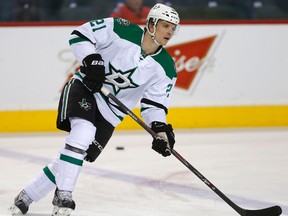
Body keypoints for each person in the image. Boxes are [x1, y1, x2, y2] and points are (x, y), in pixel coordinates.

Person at [9, 3, 180, 216]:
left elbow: (154, 104)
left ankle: (27, 195)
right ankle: (64, 195)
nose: (170, 32)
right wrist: (91, 59)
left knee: (75, 154)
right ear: (151, 24)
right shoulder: (121, 28)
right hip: (86, 88)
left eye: (173, 28)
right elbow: (80, 35)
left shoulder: (166, 67)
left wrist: (160, 129)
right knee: (83, 132)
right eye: (165, 25)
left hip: (112, 114)